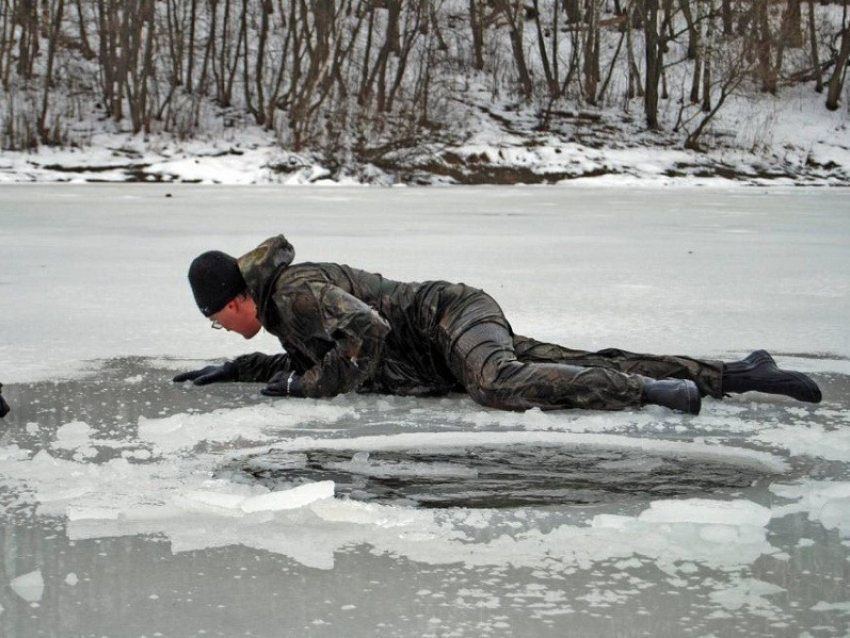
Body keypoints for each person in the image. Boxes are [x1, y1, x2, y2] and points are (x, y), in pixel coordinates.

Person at [173, 235, 822, 415]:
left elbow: (366, 333)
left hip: (450, 317)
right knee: (576, 361)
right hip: (442, 349)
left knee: (498, 380)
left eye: (218, 329)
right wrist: (239, 370)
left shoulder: (295, 290)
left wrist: (312, 390)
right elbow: (303, 361)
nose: (224, 334)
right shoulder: (282, 314)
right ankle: (740, 374)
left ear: (232, 303)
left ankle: (649, 394)